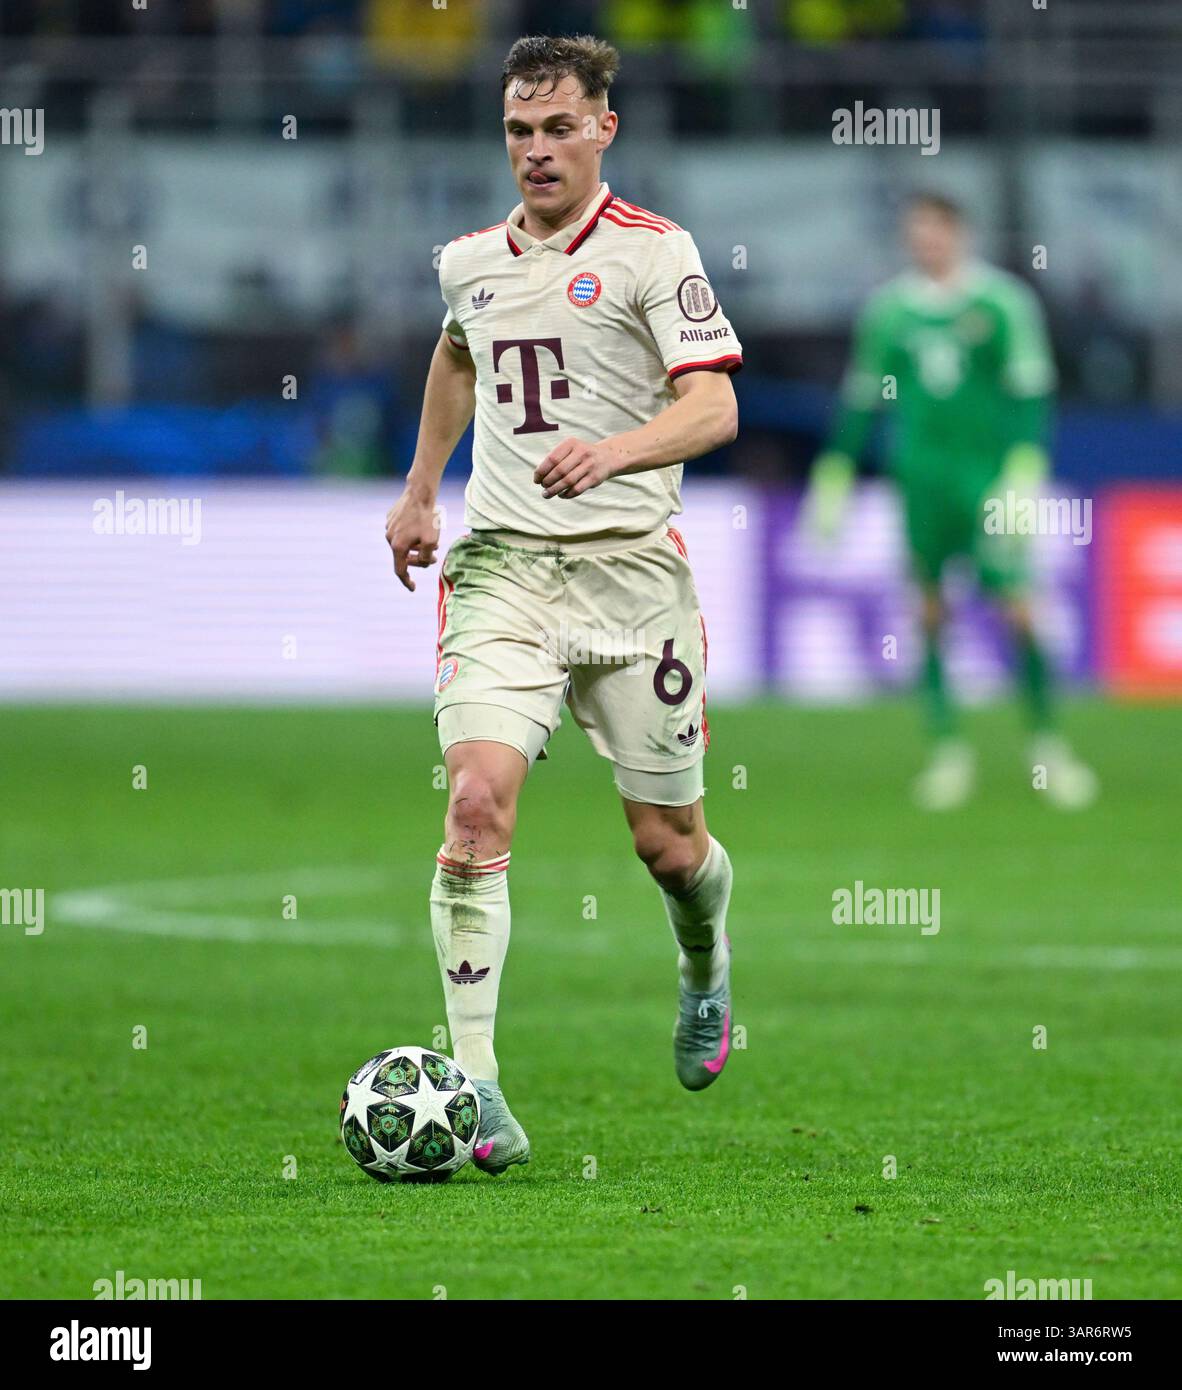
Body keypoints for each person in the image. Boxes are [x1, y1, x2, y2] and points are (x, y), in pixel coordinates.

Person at [384, 34, 743, 1174]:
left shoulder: (654, 253)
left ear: (603, 129)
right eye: (517, 132)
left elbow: (714, 408)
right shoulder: (468, 262)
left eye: (556, 129)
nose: (535, 151)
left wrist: (618, 451)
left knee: (669, 846)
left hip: (634, 577)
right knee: (476, 808)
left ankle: (704, 971)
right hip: (504, 572)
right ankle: (477, 1087)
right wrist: (420, 487)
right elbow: (457, 358)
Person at [803, 192, 1097, 811]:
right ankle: (948, 752)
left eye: (936, 230)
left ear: (959, 233)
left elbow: (1030, 391)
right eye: (917, 232)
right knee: (930, 611)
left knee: (1018, 608)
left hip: (986, 483)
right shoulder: (890, 311)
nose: (926, 242)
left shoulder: (1002, 303)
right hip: (921, 481)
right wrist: (835, 468)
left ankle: (1047, 746)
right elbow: (862, 400)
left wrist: (1023, 466)